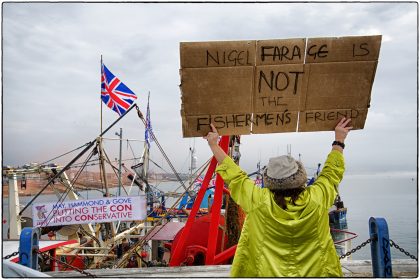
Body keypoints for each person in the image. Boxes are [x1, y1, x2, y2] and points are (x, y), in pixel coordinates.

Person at [204, 117, 352, 277]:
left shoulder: (258, 201)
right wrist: (339, 140)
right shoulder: (317, 198)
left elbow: (235, 176)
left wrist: (213, 144)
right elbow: (332, 173)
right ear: (300, 178)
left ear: (270, 182)